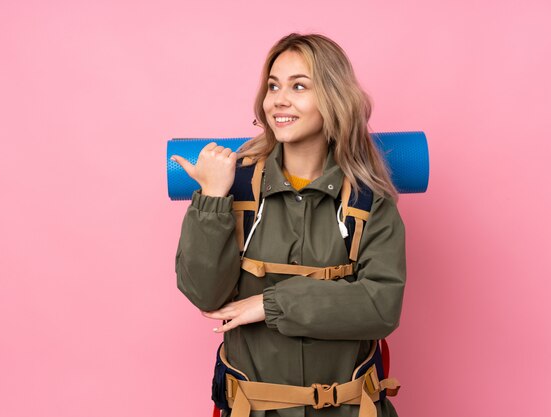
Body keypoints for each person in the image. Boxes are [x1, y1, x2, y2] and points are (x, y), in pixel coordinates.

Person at [171, 33, 406, 417]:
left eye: (299, 86)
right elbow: (205, 295)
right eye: (273, 86)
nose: (279, 99)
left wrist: (271, 304)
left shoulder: (369, 201)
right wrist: (212, 198)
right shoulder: (233, 189)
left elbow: (382, 306)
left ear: (333, 99)